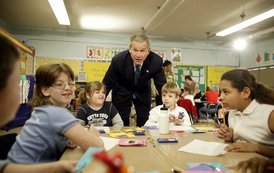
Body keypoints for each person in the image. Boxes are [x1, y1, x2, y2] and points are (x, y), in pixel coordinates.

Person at [0, 36, 76, 173]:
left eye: (70, 83)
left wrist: (57, 166)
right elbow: (96, 145)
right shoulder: (56, 112)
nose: (20, 91)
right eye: (16, 82)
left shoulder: (42, 110)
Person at [8, 63, 104, 164]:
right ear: (45, 90)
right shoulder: (58, 113)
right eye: (59, 84)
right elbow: (97, 147)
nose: (68, 88)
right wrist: (94, 135)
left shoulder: (42, 110)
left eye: (70, 83)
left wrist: (65, 140)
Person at [103, 33, 166, 126]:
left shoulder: (156, 62)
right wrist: (99, 101)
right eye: (135, 50)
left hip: (142, 90)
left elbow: (162, 87)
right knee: (120, 120)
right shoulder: (118, 60)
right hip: (122, 89)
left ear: (148, 51)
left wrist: (165, 106)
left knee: (145, 120)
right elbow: (107, 83)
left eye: (142, 51)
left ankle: (144, 139)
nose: (138, 55)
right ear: (130, 49)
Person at [217, 69, 274, 158]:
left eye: (226, 92)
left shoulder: (270, 114)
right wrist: (231, 137)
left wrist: (257, 148)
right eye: (220, 92)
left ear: (245, 93)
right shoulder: (232, 112)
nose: (220, 97)